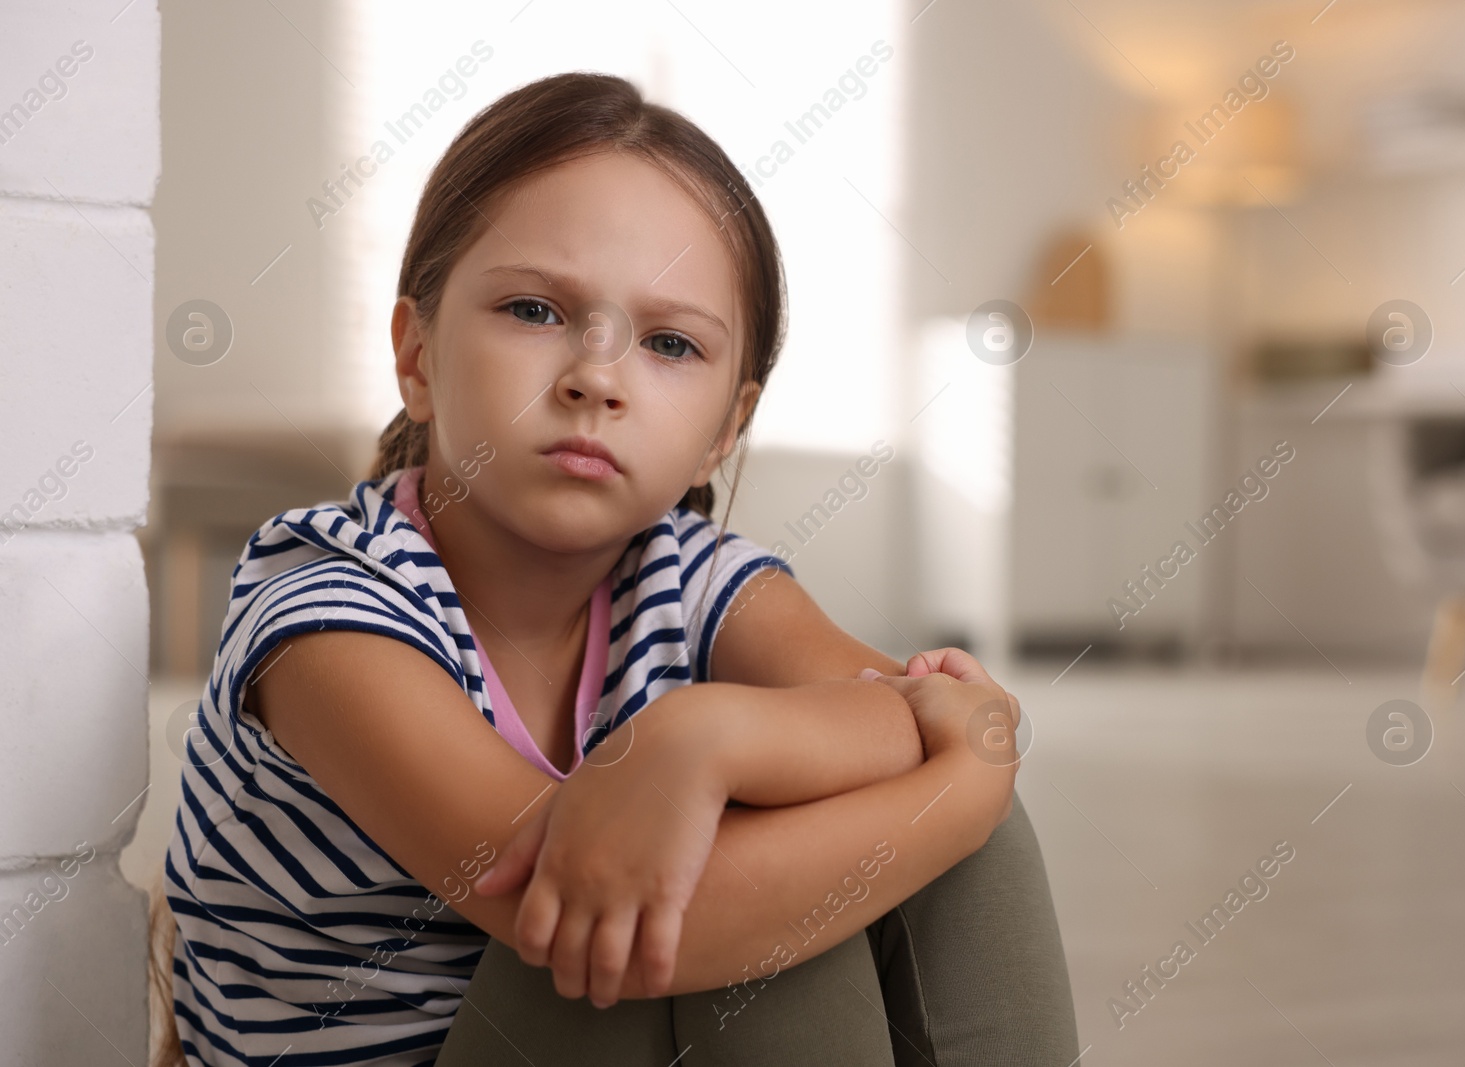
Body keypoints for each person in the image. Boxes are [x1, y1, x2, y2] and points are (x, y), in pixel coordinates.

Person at [156, 71, 1077, 1066]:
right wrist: (969, 785)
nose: (595, 375)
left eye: (671, 342)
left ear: (725, 429)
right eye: (534, 309)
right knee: (738, 909)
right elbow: (606, 919)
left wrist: (704, 735)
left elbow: (941, 711)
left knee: (879, 844)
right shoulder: (326, 608)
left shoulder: (694, 578)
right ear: (416, 355)